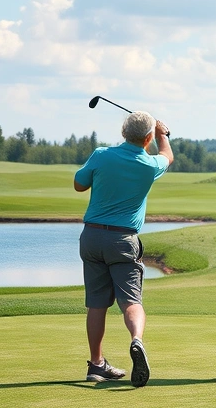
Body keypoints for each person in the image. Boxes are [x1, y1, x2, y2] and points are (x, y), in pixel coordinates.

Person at [74, 111, 174, 387]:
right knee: (131, 300)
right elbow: (167, 156)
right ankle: (136, 341)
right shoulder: (149, 164)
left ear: (122, 132)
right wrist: (163, 135)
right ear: (148, 138)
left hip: (92, 237)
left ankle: (96, 364)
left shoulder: (100, 155)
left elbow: (79, 184)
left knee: (96, 303)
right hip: (123, 240)